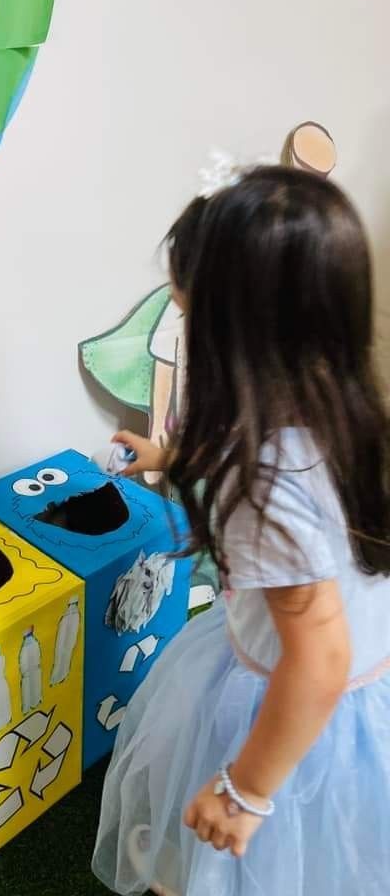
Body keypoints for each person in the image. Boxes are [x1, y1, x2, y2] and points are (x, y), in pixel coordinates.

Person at [92, 166, 390, 896]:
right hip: (352, 679)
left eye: (189, 314)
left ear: (237, 335)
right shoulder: (338, 404)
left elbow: (317, 660)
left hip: (290, 702)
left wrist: (243, 791)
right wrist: (172, 459)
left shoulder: (266, 487)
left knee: (265, 865)